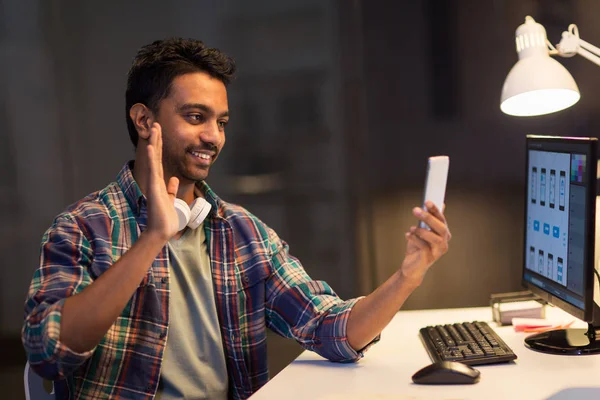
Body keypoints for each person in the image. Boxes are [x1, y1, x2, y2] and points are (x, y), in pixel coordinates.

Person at [22, 38, 451, 400]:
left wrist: (408, 276)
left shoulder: (241, 232)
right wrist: (152, 238)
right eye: (196, 117)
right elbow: (50, 352)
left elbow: (332, 330)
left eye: (221, 122)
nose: (213, 136)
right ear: (144, 120)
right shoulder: (82, 227)